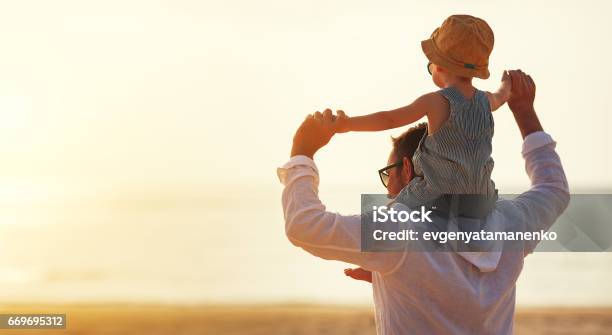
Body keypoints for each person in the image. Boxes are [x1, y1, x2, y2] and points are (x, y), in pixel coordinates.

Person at [277, 70, 569, 334]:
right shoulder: (508, 223)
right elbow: (553, 189)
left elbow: (304, 226)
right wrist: (524, 111)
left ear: (408, 169)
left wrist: (302, 154)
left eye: (388, 174)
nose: (389, 189)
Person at [334, 14, 510, 210]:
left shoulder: (435, 101)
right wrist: (507, 84)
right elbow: (501, 95)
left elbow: (389, 119)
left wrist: (347, 124)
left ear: (440, 66)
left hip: (440, 198)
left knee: (389, 215)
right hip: (481, 200)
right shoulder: (486, 100)